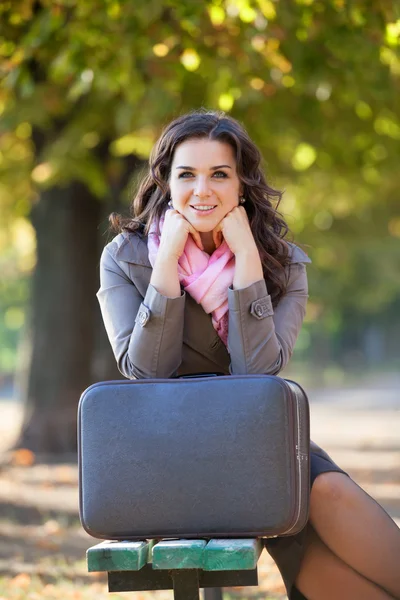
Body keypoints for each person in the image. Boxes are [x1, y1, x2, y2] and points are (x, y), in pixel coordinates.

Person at [97, 109, 400, 600]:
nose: (203, 190)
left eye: (220, 174)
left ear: (242, 185)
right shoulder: (125, 257)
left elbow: (258, 374)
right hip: (173, 453)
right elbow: (145, 374)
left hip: (258, 445)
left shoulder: (283, 261)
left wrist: (249, 265)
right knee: (313, 535)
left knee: (327, 494)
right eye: (187, 175)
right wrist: (167, 263)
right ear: (165, 184)